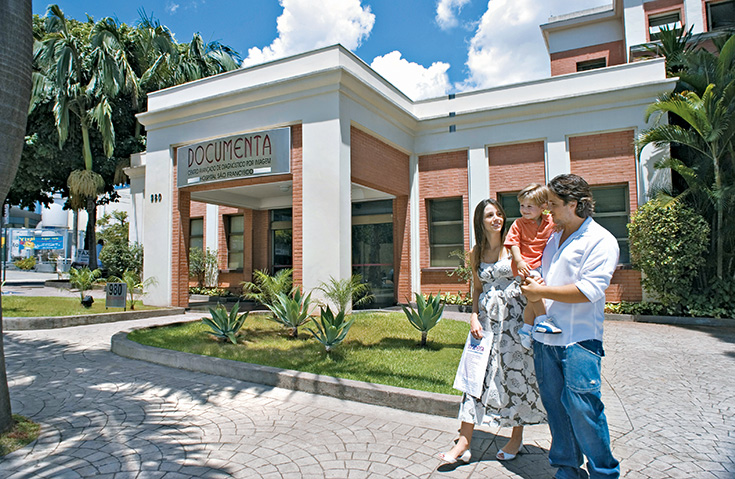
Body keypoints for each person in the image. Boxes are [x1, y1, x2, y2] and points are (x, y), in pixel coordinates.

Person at [521, 174, 620, 479]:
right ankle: (567, 470)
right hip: (546, 339)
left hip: (579, 341)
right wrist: (537, 283)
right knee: (556, 410)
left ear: (574, 204)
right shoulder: (553, 238)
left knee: (583, 410)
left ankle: (604, 473)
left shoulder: (601, 240)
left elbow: (590, 290)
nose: (546, 210)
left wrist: (541, 292)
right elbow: (550, 279)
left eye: (552, 204)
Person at [438, 199, 546, 465]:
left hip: (514, 322)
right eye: (490, 215)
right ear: (480, 221)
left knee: (516, 375)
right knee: (474, 377)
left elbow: (529, 276)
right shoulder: (476, 252)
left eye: (499, 213)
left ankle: (516, 437)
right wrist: (473, 316)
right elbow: (476, 289)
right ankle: (464, 441)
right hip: (485, 323)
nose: (496, 218)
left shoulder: (514, 246)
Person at [504, 183, 561, 349]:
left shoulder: (550, 221)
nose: (524, 210)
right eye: (522, 206)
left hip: (542, 264)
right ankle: (543, 320)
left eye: (529, 206)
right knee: (536, 293)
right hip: (526, 266)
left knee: (532, 299)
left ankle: (526, 329)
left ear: (543, 206)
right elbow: (513, 243)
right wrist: (519, 261)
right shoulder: (519, 224)